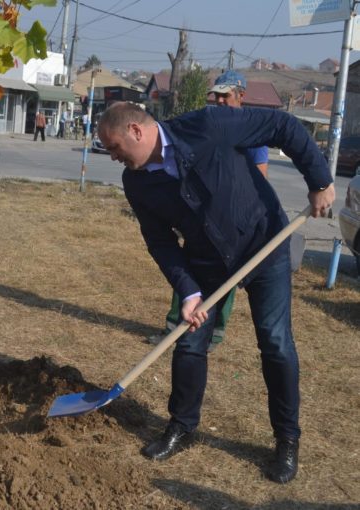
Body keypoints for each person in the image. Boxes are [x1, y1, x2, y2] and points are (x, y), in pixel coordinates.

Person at [97, 102, 334, 484]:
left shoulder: (208, 126)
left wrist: (319, 181)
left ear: (136, 132)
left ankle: (287, 439)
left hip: (264, 243)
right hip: (206, 262)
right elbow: (159, 242)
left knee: (275, 342)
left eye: (114, 147)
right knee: (189, 343)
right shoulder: (136, 182)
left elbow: (281, 125)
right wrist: (188, 290)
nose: (112, 157)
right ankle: (182, 426)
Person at [149, 70, 269, 351]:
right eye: (217, 96)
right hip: (202, 214)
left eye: (226, 96)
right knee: (187, 268)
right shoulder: (208, 124)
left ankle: (214, 332)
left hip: (235, 220)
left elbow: (260, 178)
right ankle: (174, 329)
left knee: (227, 277)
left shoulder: (251, 131)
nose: (220, 101)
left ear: (241, 96)